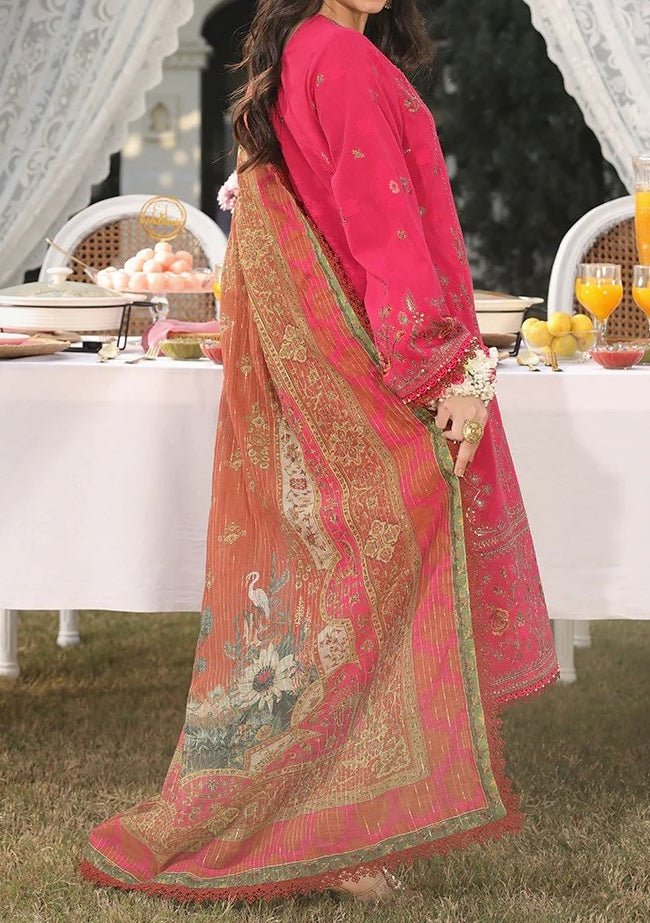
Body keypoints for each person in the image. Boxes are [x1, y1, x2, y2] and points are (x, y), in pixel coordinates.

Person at [80, 0, 558, 905]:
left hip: (327, 358)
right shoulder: (335, 56)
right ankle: (340, 827)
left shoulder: (304, 51)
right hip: (361, 358)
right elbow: (383, 230)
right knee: (379, 567)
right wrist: (446, 369)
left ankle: (337, 817)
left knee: (339, 585)